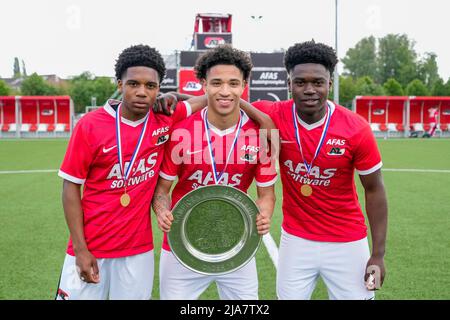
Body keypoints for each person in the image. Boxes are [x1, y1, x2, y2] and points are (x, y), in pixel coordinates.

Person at [56, 44, 207, 300]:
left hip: (137, 252)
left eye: (151, 86)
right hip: (91, 248)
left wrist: (175, 94)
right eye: (133, 84)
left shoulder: (164, 119)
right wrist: (80, 249)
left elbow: (206, 98)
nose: (141, 92)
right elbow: (70, 187)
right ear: (119, 84)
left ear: (158, 89)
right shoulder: (90, 126)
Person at [252, 41, 388, 300]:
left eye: (318, 82)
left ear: (330, 84)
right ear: (289, 84)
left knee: (364, 297)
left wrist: (378, 255)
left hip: (348, 242)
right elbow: (223, 101)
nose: (310, 90)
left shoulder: (356, 128)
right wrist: (174, 101)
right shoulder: (273, 114)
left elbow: (375, 190)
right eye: (300, 82)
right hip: (296, 241)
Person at [152, 45, 277, 300]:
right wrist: (162, 209)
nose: (224, 91)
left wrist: (264, 213)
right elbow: (162, 191)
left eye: (233, 83)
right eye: (216, 83)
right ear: (203, 84)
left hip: (237, 245)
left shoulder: (260, 134)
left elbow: (267, 194)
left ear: (243, 86)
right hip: (181, 245)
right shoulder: (181, 130)